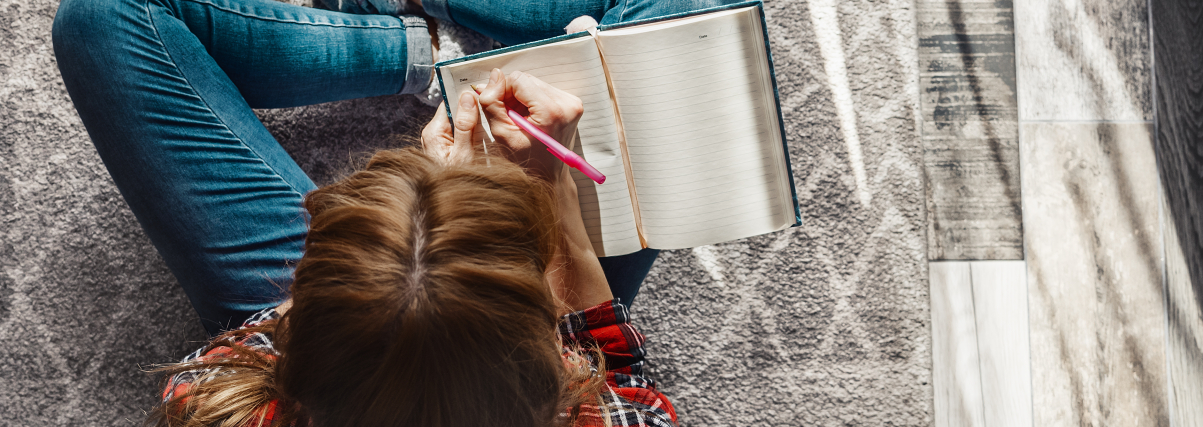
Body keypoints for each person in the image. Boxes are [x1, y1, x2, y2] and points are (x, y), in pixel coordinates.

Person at [50, 0, 734, 425]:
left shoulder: (213, 407)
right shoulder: (604, 418)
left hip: (392, 321)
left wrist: (412, 237)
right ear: (546, 360)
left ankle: (425, 51)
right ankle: (463, 44)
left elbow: (309, 323)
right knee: (701, 24)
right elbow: (622, 377)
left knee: (110, 16)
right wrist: (550, 201)